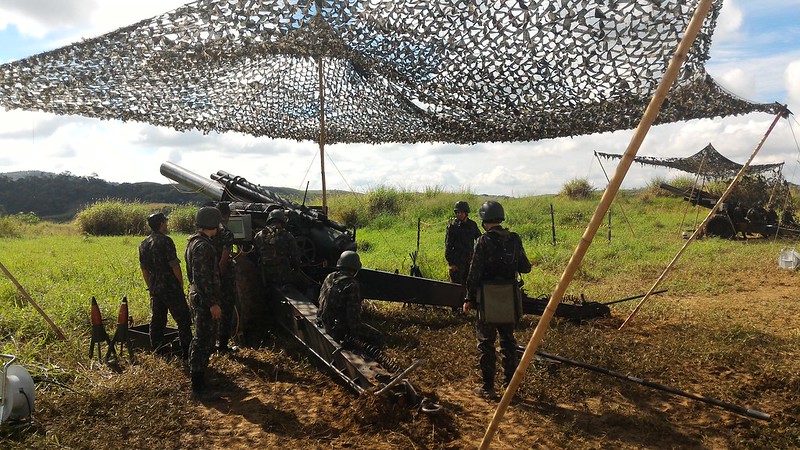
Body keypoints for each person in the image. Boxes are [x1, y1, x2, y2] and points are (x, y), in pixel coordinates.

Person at [463, 201, 532, 400]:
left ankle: (488, 388)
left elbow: (474, 273)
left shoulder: (483, 241)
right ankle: (510, 388)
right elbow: (525, 267)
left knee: (486, 343)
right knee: (508, 342)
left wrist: (469, 298)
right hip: (509, 296)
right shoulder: (514, 239)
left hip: (488, 297)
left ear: (484, 220)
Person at [138, 212, 192, 360]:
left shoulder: (144, 243)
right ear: (161, 224)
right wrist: (180, 283)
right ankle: (186, 352)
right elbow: (174, 265)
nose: (167, 224)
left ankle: (157, 352)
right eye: (165, 222)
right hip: (170, 285)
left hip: (155, 286)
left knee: (158, 320)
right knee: (183, 319)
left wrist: (150, 286)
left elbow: (144, 269)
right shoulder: (166, 241)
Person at [185, 206, 223, 398]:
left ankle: (200, 380)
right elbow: (201, 278)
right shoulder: (203, 246)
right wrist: (212, 303)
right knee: (203, 341)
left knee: (202, 339)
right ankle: (198, 388)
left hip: (200, 298)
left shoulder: (194, 242)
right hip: (204, 301)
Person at [317, 250, 383, 347]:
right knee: (378, 336)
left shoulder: (330, 277)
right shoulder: (351, 285)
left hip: (324, 323)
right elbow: (353, 321)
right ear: (355, 269)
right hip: (338, 331)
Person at [212, 202, 238, 354]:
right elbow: (223, 260)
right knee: (226, 311)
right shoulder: (226, 233)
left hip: (208, 276)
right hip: (223, 277)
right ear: (227, 215)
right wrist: (219, 278)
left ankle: (211, 343)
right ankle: (222, 346)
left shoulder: (209, 230)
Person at [253, 209, 302, 289]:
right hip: (283, 277)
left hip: (264, 276)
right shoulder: (288, 236)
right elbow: (295, 258)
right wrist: (296, 270)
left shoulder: (258, 235)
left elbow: (256, 254)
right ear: (282, 222)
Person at [445, 201, 481, 287]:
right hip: (457, 262)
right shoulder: (452, 226)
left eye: (461, 212)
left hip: (470, 260)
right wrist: (451, 263)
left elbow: (479, 239)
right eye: (457, 212)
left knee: (470, 285)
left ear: (466, 212)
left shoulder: (472, 225)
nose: (459, 214)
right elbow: (448, 245)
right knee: (456, 287)